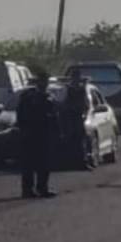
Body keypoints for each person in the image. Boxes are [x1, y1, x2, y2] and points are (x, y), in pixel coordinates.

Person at [16, 71, 58, 199]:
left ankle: (42, 188)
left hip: (45, 134)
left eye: (46, 81)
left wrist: (56, 131)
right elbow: (21, 114)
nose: (44, 84)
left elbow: (54, 116)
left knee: (44, 164)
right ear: (37, 82)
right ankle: (27, 190)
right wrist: (23, 128)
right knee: (28, 164)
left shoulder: (50, 97)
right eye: (42, 81)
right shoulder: (28, 96)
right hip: (30, 134)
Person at [64, 69, 92, 170]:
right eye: (75, 77)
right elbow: (67, 104)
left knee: (82, 141)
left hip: (78, 118)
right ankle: (74, 162)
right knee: (73, 142)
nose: (77, 79)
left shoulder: (80, 89)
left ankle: (83, 162)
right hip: (70, 118)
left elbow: (85, 104)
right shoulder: (69, 89)